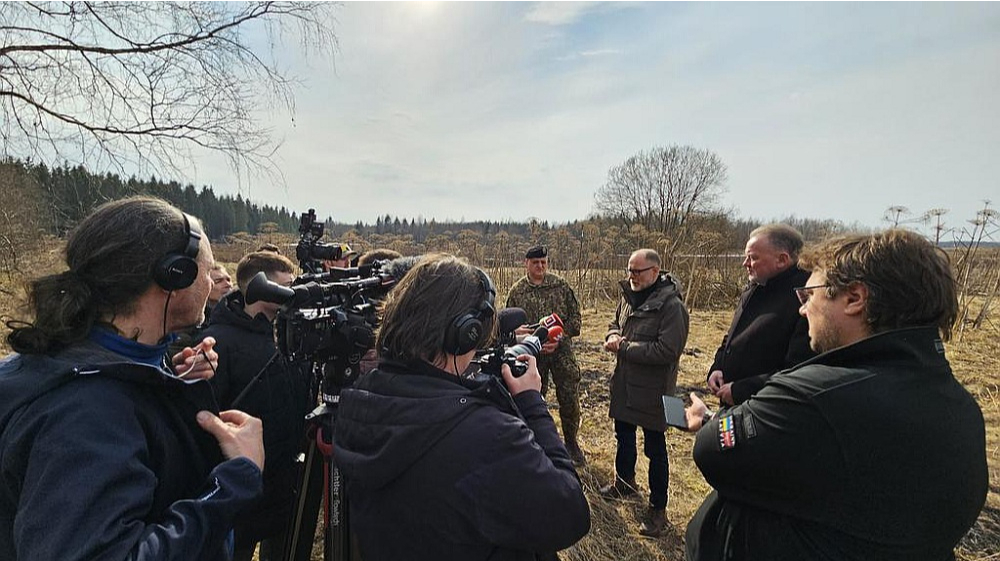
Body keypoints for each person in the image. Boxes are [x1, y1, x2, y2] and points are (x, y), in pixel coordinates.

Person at [683, 229, 988, 561]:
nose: (803, 310)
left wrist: (721, 415)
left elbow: (711, 449)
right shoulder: (961, 407)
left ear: (855, 298)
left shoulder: (813, 397)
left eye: (810, 295)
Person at [0, 196, 265, 561]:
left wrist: (166, 378)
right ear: (175, 276)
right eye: (208, 269)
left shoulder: (73, 361)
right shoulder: (87, 414)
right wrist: (235, 480)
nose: (212, 280)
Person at [334, 253, 591, 561]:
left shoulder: (358, 401)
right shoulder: (486, 435)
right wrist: (531, 403)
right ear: (465, 332)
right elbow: (570, 514)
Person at [196, 251, 312, 561]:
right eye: (287, 286)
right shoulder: (217, 343)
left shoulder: (290, 338)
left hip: (284, 485)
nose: (294, 294)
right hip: (237, 492)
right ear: (259, 289)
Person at [600, 248, 689, 537]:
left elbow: (668, 350)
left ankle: (658, 510)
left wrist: (624, 347)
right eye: (629, 270)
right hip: (625, 384)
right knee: (623, 435)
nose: (632, 276)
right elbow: (616, 323)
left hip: (656, 391)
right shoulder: (628, 296)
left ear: (655, 271)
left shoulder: (672, 306)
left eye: (637, 271)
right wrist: (613, 334)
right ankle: (624, 483)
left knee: (655, 449)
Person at [707, 224, 815, 405]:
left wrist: (741, 390)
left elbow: (799, 371)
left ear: (782, 259)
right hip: (732, 403)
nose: (745, 264)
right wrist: (718, 367)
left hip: (766, 410)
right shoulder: (755, 287)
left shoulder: (805, 299)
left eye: (753, 258)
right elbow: (732, 337)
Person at [505, 245, 586, 465]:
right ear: (526, 264)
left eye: (543, 262)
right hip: (531, 354)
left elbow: (576, 321)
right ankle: (533, 442)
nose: (540, 266)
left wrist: (558, 338)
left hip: (561, 351)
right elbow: (510, 328)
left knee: (569, 395)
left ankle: (571, 443)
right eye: (535, 263)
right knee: (529, 398)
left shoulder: (561, 286)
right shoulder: (517, 292)